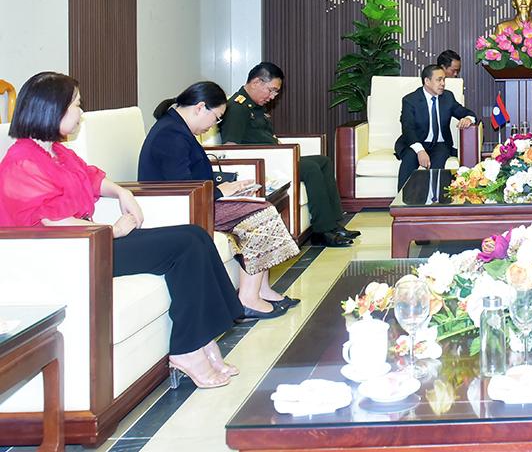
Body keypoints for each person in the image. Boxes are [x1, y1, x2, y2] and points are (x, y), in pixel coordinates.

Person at [0, 72, 244, 389]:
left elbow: (92, 178)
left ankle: (201, 338)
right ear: (53, 108)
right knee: (185, 247)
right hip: (72, 253)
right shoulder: (21, 161)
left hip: (92, 241)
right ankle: (186, 349)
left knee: (195, 236)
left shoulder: (56, 152)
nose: (81, 113)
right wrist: (111, 230)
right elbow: (51, 222)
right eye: (76, 105)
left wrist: (121, 192)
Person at [139, 81, 301, 319]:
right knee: (260, 215)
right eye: (216, 118)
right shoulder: (170, 135)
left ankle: (262, 289)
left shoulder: (178, 127)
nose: (214, 125)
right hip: (179, 209)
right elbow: (183, 188)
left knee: (262, 205)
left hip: (196, 201)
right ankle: (247, 299)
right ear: (200, 107)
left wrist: (226, 189)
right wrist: (220, 192)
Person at [219, 62, 358, 248]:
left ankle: (333, 224)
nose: (272, 96)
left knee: (323, 161)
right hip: (262, 164)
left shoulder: (255, 106)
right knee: (310, 168)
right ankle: (322, 231)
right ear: (256, 82)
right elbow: (231, 148)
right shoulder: (237, 108)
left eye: (276, 92)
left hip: (276, 158)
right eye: (271, 90)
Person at [395, 64, 477, 189]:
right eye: (439, 80)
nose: (443, 83)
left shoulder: (447, 97)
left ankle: (436, 198)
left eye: (444, 79)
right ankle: (404, 198)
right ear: (427, 81)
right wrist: (420, 151)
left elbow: (467, 113)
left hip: (440, 144)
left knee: (439, 160)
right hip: (416, 141)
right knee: (410, 158)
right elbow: (408, 128)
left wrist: (468, 119)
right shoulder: (410, 100)